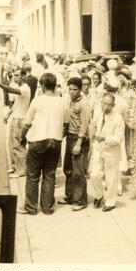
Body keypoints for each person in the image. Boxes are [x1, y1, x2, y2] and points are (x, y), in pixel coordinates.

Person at [18, 73, 69, 215]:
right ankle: (47, 207)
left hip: (37, 140)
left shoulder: (37, 100)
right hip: (55, 141)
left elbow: (27, 122)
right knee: (49, 175)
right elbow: (66, 122)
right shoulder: (62, 101)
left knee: (33, 176)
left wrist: (22, 137)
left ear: (43, 85)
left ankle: (31, 207)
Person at [0, 68, 31, 178]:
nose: (15, 77)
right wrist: (8, 114)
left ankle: (21, 170)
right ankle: (14, 167)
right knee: (12, 145)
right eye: (14, 75)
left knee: (18, 146)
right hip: (15, 119)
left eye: (17, 75)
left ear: (23, 76)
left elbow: (9, 90)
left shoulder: (25, 89)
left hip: (20, 121)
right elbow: (16, 104)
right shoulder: (20, 88)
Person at [59, 77, 91, 211]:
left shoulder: (84, 104)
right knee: (68, 169)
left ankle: (80, 200)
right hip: (70, 137)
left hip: (80, 139)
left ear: (80, 89)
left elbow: (84, 125)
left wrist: (78, 143)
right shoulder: (70, 101)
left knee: (78, 171)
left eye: (75, 89)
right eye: (70, 89)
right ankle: (70, 196)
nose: (72, 92)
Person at [90, 93, 125, 212]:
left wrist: (105, 138)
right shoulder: (99, 114)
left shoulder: (118, 118)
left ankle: (110, 202)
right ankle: (99, 195)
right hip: (98, 148)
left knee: (111, 178)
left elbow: (119, 138)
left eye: (109, 105)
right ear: (101, 103)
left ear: (113, 105)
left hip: (112, 150)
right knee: (94, 174)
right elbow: (93, 127)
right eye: (104, 104)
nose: (106, 107)